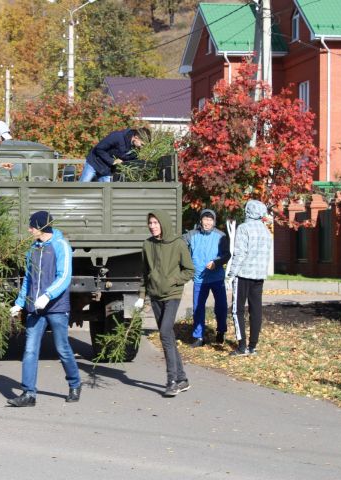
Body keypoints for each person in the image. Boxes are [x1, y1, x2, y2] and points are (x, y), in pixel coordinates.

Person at [8, 211, 81, 407]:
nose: (29, 229)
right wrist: (19, 303)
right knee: (30, 350)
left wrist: (47, 295)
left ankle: (74, 383)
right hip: (35, 309)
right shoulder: (33, 249)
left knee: (62, 349)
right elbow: (29, 279)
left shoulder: (61, 245)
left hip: (56, 307)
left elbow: (64, 276)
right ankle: (28, 394)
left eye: (32, 226)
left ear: (41, 227)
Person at [136, 210, 195, 397]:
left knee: (164, 333)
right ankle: (182, 379)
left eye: (155, 222)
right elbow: (145, 273)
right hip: (155, 295)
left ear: (163, 223)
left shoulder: (178, 244)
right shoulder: (147, 244)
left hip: (172, 294)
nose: (152, 226)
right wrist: (141, 296)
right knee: (168, 335)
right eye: (150, 223)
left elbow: (189, 270)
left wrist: (172, 280)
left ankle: (171, 381)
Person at [226, 199, 272, 356]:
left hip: (243, 274)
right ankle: (253, 346)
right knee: (256, 310)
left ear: (248, 212)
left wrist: (231, 275)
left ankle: (241, 346)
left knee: (237, 310)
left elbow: (239, 253)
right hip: (259, 276)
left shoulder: (244, 228)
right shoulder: (266, 231)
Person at [182, 209, 231, 347]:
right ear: (201, 220)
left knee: (221, 307)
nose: (207, 222)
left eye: (210, 219)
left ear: (214, 222)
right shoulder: (192, 235)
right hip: (199, 278)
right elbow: (179, 246)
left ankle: (221, 331)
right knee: (198, 308)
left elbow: (227, 254)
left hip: (216, 278)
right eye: (205, 219)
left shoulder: (220, 235)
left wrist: (216, 262)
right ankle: (199, 337)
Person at [80, 127, 150, 182]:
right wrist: (112, 161)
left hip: (107, 170)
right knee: (82, 187)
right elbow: (98, 149)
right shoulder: (117, 136)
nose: (142, 147)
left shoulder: (136, 149)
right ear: (136, 137)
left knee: (107, 192)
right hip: (94, 163)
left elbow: (131, 161)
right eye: (142, 144)